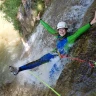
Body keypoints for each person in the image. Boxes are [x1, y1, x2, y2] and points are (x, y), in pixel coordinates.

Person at [9, 11, 96, 75]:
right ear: (58, 30)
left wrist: (92, 22)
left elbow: (79, 32)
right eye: (60, 29)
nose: (61, 31)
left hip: (61, 57)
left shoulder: (70, 38)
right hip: (54, 53)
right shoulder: (57, 35)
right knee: (38, 61)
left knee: (52, 73)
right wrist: (40, 20)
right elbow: (49, 29)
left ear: (66, 30)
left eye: (63, 29)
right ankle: (19, 69)